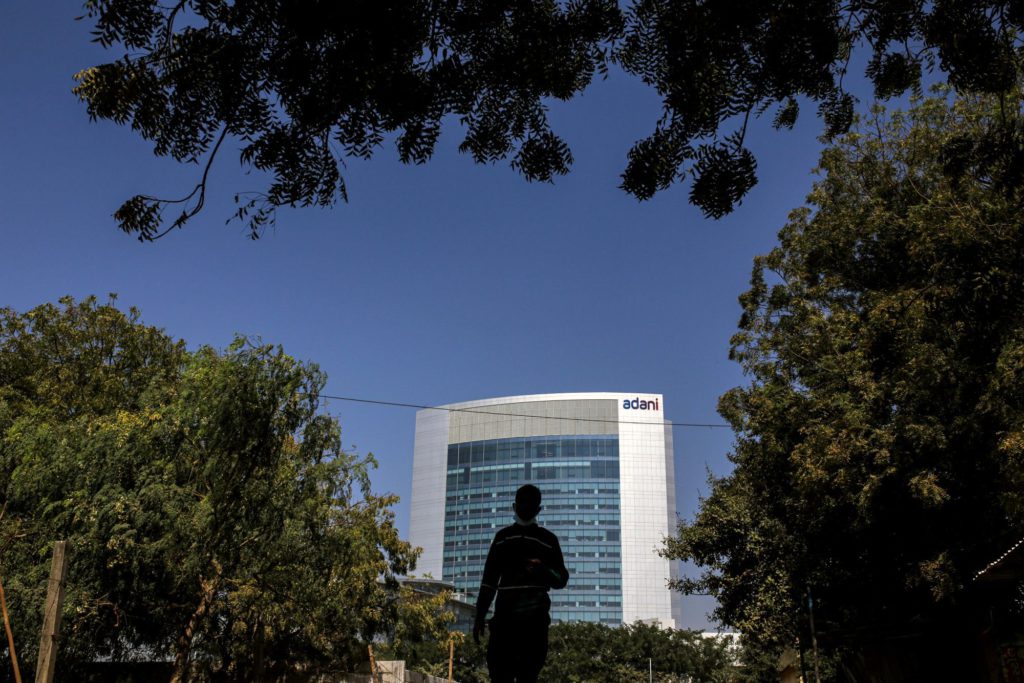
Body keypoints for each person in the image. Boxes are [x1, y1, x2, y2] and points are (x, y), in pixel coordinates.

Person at [473, 484, 569, 683]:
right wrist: (479, 615)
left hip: (534, 624)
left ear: (538, 509)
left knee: (527, 676)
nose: (525, 507)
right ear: (514, 506)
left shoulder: (549, 540)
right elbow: (489, 580)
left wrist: (543, 570)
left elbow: (562, 579)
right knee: (500, 676)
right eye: (522, 502)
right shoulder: (502, 538)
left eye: (530, 503)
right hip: (504, 623)